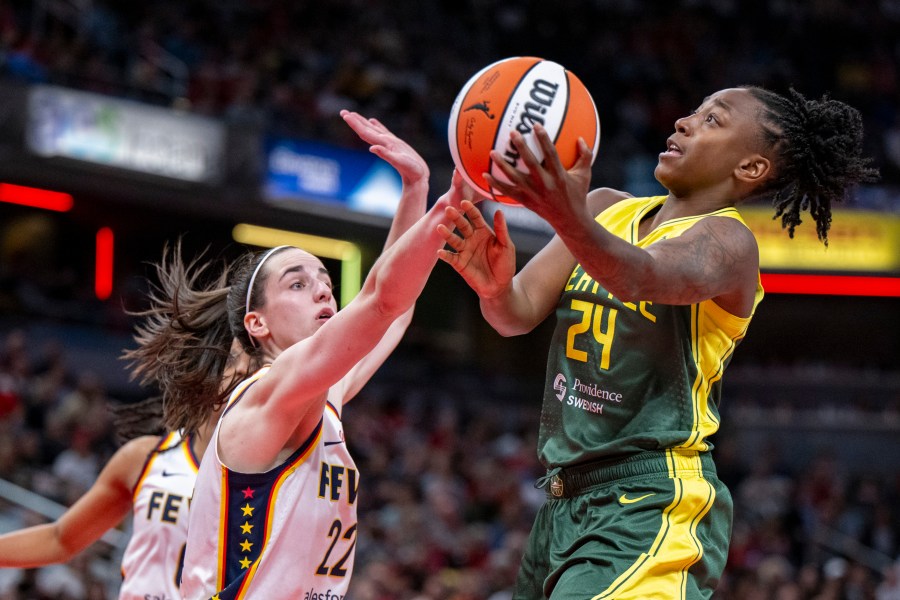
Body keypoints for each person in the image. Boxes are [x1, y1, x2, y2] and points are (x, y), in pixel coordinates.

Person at [438, 86, 877, 599]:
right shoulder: (604, 209)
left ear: (751, 168)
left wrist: (566, 216)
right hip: (563, 501)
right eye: (692, 109)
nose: (684, 122)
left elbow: (642, 276)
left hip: (652, 502)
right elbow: (516, 313)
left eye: (713, 120)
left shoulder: (730, 244)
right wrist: (492, 288)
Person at [176, 111, 471, 599]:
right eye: (298, 283)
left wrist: (415, 188)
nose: (323, 295)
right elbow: (381, 300)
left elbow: (393, 315)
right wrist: (449, 204)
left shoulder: (322, 393)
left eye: (327, 285)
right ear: (257, 323)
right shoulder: (268, 393)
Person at [0, 340, 248, 600]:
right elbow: (60, 539)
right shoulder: (146, 457)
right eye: (232, 361)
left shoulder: (268, 478)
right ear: (202, 375)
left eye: (255, 367)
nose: (243, 372)